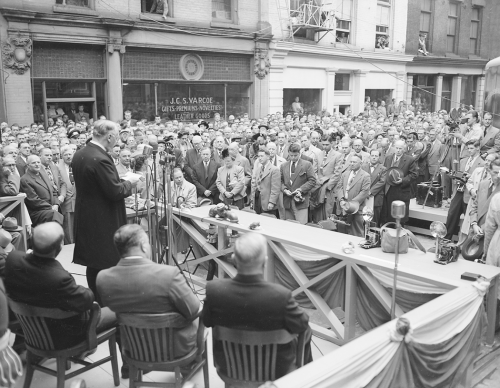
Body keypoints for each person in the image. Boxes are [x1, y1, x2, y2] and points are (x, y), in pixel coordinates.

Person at [202, 233, 312, 379]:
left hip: (230, 368)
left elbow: (206, 321)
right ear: (265, 262)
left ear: (234, 259)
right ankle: (307, 377)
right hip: (275, 371)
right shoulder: (280, 296)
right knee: (306, 330)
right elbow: (302, 325)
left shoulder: (214, 291)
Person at [97, 224, 200, 378]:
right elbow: (193, 310)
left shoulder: (103, 279)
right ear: (144, 246)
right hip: (175, 349)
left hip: (134, 348)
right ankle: (189, 365)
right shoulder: (169, 274)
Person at [4, 222, 118, 350]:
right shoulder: (59, 279)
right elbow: (87, 300)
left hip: (30, 329)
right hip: (59, 337)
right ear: (59, 247)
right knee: (119, 311)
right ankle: (129, 367)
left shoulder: (13, 259)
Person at [72, 120, 140, 302]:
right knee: (106, 262)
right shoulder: (100, 158)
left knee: (93, 263)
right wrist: (129, 182)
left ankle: (97, 300)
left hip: (87, 216)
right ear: (109, 137)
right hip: (103, 219)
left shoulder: (80, 153)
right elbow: (115, 191)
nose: (117, 141)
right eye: (117, 137)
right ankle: (107, 306)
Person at [444, 140, 484, 241]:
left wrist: (471, 177)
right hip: (458, 191)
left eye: (472, 148)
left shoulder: (482, 163)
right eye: (468, 148)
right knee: (452, 215)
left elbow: (481, 181)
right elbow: (458, 173)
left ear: (478, 148)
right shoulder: (463, 160)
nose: (469, 150)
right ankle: (446, 239)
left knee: (468, 220)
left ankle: (466, 243)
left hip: (470, 194)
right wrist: (455, 176)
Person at [380, 140, 418, 226]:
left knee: (398, 218)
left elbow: (414, 175)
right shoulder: (388, 158)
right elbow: (384, 171)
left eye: (400, 148)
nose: (398, 150)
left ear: (404, 149)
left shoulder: (410, 160)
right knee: (387, 215)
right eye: (396, 148)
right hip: (388, 190)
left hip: (401, 191)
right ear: (394, 148)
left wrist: (403, 180)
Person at [20, 155, 64, 226]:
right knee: (54, 215)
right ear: (28, 165)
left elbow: (54, 192)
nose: (37, 164)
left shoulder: (44, 175)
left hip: (51, 208)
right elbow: (33, 200)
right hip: (37, 211)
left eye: (38, 162)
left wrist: (56, 204)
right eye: (34, 163)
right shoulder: (25, 179)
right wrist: (51, 207)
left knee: (59, 212)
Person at [335, 154, 370, 236]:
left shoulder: (365, 176)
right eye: (350, 162)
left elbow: (364, 192)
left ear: (360, 163)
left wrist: (350, 204)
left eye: (354, 162)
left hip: (356, 209)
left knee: (356, 232)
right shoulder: (345, 174)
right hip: (342, 206)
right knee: (341, 231)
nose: (352, 164)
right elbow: (339, 187)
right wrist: (341, 200)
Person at [280, 143, 316, 224]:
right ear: (288, 154)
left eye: (295, 155)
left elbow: (312, 180)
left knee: (301, 228)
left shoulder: (307, 164)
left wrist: (301, 189)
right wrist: (284, 190)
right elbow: (280, 181)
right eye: (291, 155)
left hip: (300, 202)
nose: (293, 158)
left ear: (299, 153)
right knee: (288, 227)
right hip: (287, 202)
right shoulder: (283, 166)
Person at [251, 148, 280, 217]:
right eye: (258, 156)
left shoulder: (274, 170)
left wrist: (272, 202)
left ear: (268, 157)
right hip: (258, 199)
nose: (260, 158)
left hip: (267, 201)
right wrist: (252, 199)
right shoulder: (258, 169)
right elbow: (255, 184)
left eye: (262, 156)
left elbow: (275, 188)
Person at [362, 149, 386, 226]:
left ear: (379, 158)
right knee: (363, 217)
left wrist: (370, 191)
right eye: (372, 155)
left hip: (376, 197)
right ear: (370, 156)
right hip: (363, 196)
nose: (374, 157)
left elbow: (382, 182)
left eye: (376, 156)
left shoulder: (383, 169)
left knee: (374, 219)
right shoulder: (363, 166)